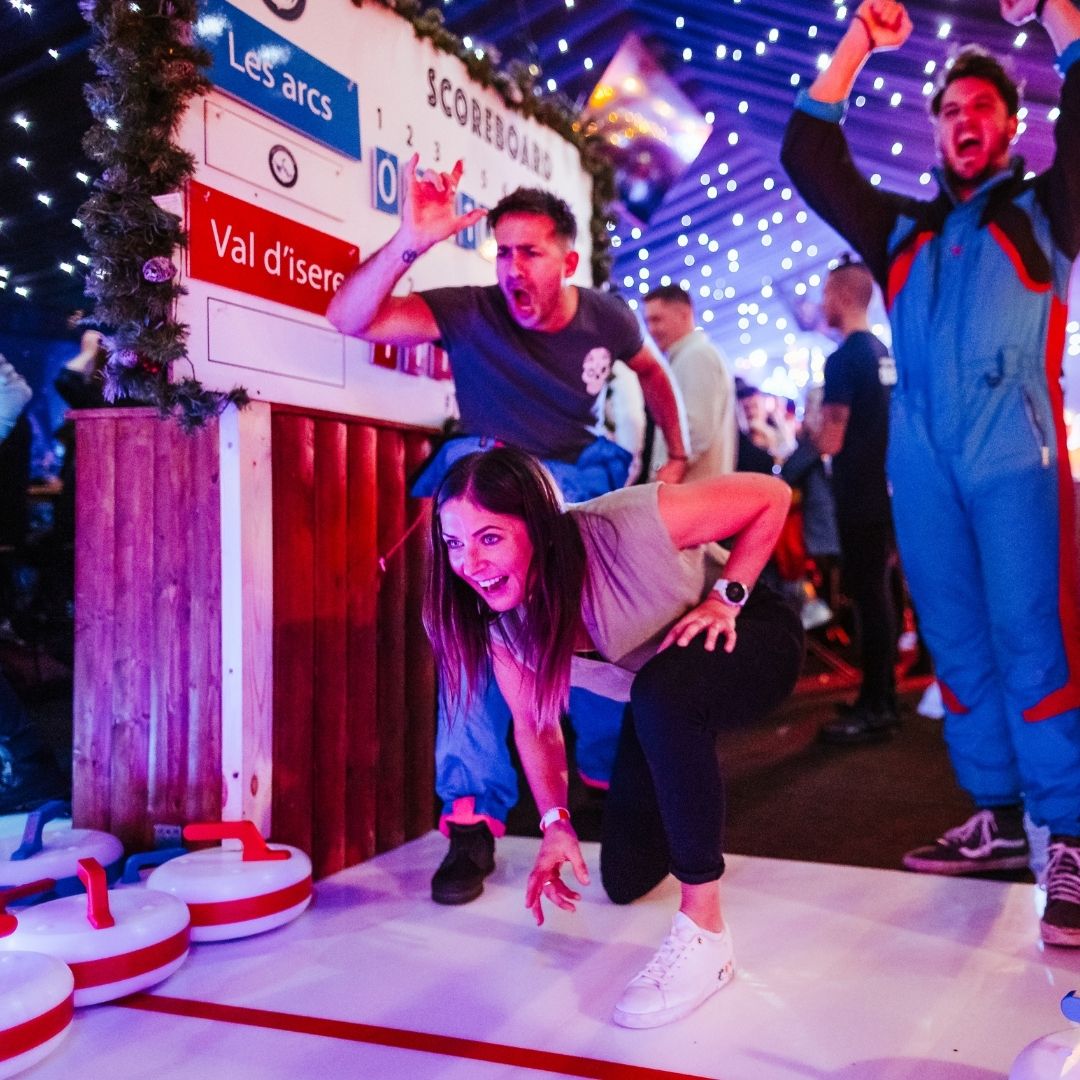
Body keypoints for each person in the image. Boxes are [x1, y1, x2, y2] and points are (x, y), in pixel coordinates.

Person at [782, 0, 1080, 947]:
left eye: (983, 106)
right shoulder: (900, 230)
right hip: (922, 464)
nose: (965, 120)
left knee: (1033, 634)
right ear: (936, 129)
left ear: (1013, 125)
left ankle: (1071, 832)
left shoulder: (1045, 211)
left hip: (1015, 454)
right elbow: (809, 155)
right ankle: (997, 815)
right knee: (953, 639)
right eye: (951, 109)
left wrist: (1059, 17)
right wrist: (858, 44)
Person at [327, 158, 691, 906]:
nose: (512, 268)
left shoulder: (607, 317)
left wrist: (679, 453)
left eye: (530, 252)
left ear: (568, 261)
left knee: (602, 636)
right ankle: (471, 823)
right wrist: (410, 240)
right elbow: (347, 318)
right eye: (502, 252)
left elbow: (655, 375)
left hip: (574, 492)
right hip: (490, 496)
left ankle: (603, 789)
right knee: (475, 648)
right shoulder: (472, 310)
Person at [424, 447, 803, 1028]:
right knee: (625, 878)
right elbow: (535, 724)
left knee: (661, 695)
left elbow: (770, 496)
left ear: (539, 527)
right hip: (662, 693)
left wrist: (724, 599)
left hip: (751, 633)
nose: (469, 563)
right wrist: (556, 823)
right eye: (454, 543)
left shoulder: (624, 525)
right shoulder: (504, 626)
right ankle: (680, 765)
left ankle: (706, 933)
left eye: (490, 538)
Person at [806, 257, 899, 743]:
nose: (821, 303)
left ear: (842, 297)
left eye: (825, 293)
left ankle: (876, 705)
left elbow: (830, 440)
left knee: (869, 597)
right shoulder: (883, 353)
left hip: (858, 495)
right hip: (886, 490)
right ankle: (881, 696)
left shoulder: (842, 360)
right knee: (883, 593)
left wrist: (809, 425)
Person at [643, 284, 737, 480]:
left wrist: (666, 470)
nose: (651, 330)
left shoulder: (697, 355)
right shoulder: (688, 356)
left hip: (692, 488)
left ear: (684, 314)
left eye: (657, 320)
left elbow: (696, 429)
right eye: (647, 322)